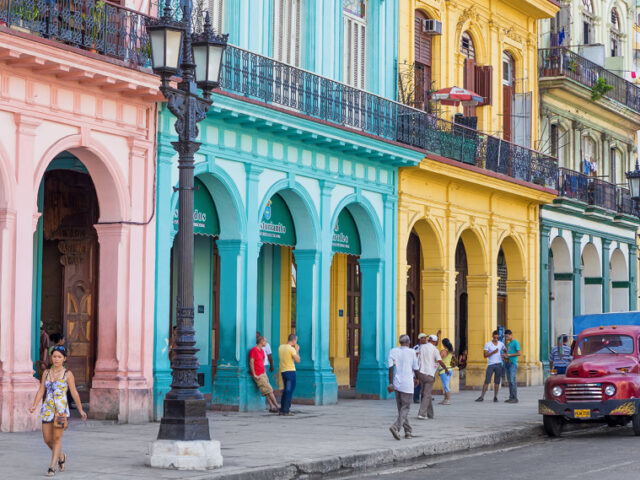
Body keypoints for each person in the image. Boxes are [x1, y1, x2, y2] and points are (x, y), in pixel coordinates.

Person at [29, 345, 87, 476]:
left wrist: (81, 409)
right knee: (47, 439)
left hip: (60, 411)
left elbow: (74, 393)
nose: (56, 359)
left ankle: (52, 467)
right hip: (47, 409)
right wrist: (34, 405)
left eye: (59, 357)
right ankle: (61, 456)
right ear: (51, 358)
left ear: (64, 359)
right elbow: (41, 391)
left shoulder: (68, 374)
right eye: (54, 356)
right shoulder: (46, 373)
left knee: (57, 438)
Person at [388, 335, 419, 440]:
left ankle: (408, 431)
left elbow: (390, 368)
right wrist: (417, 379)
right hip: (407, 384)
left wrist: (391, 383)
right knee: (405, 408)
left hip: (397, 384)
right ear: (408, 342)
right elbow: (416, 368)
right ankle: (395, 427)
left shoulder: (393, 351)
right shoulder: (412, 352)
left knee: (401, 409)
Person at [416, 334, 449, 419]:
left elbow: (417, 357)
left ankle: (430, 414)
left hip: (420, 373)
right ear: (434, 341)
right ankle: (421, 413)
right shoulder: (434, 349)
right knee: (427, 394)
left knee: (427, 393)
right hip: (429, 374)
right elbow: (440, 361)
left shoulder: (422, 347)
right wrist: (446, 369)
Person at [250, 336, 280, 413]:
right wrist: (254, 374)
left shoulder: (262, 351)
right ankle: (277, 406)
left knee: (266, 390)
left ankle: (271, 407)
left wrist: (263, 370)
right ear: (261, 342)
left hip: (263, 373)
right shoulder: (254, 350)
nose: (266, 343)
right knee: (269, 390)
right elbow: (251, 362)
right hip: (258, 374)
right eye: (265, 341)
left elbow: (263, 361)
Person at [475, 330, 505, 402]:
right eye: (494, 337)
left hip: (499, 364)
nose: (495, 339)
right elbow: (485, 355)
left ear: (498, 337)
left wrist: (504, 356)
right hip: (491, 364)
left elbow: (505, 350)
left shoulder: (501, 344)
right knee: (487, 381)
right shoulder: (488, 344)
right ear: (492, 336)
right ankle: (482, 396)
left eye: (497, 338)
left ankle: (495, 397)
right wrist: (493, 352)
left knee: (497, 382)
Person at [278, 333, 300, 416]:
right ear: (294, 340)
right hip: (290, 371)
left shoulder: (281, 347)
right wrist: (297, 351)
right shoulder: (291, 349)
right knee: (289, 391)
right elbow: (298, 360)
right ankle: (286, 410)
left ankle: (282, 409)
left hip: (283, 371)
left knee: (285, 391)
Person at [503, 329, 520, 403]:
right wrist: (505, 356)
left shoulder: (515, 342)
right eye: (505, 337)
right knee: (509, 381)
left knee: (513, 381)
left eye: (507, 336)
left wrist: (509, 355)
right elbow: (509, 353)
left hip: (513, 363)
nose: (506, 338)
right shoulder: (509, 344)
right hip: (508, 363)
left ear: (510, 335)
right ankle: (511, 397)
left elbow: (519, 353)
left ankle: (515, 398)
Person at [438, 338, 456, 405]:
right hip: (450, 369)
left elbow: (439, 359)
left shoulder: (443, 351)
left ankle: (448, 400)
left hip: (444, 370)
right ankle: (445, 399)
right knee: (446, 385)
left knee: (446, 386)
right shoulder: (451, 351)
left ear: (443, 344)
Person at [412, 333, 427, 404]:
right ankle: (416, 397)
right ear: (420, 339)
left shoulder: (427, 347)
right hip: (418, 368)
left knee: (425, 383)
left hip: (425, 368)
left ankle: (424, 397)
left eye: (425, 338)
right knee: (417, 383)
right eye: (423, 338)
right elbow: (414, 357)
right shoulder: (416, 347)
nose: (424, 339)